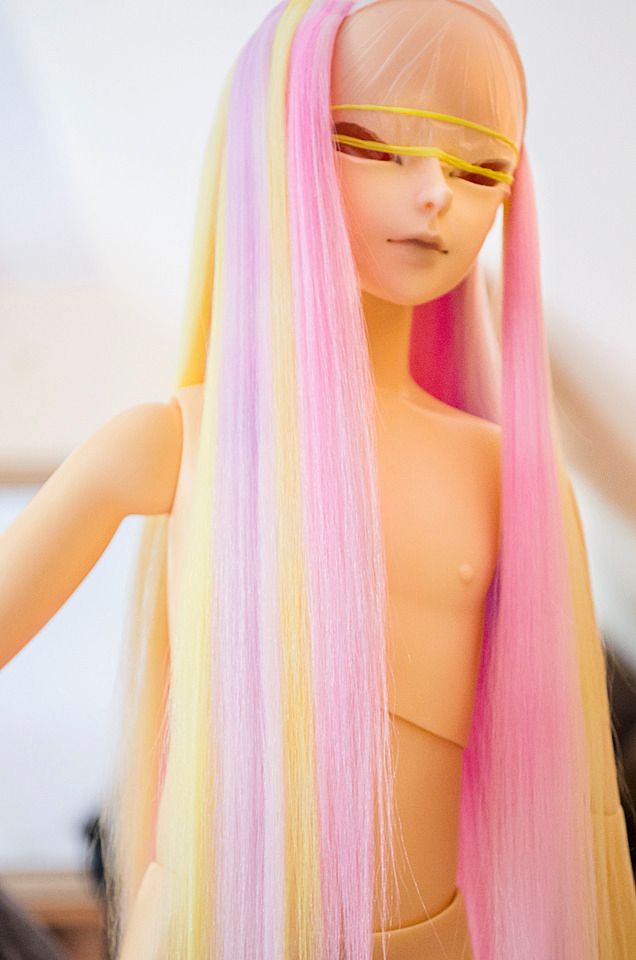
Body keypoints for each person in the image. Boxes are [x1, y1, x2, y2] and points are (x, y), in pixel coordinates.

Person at [2, 1, 634, 958]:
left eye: (481, 170)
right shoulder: (178, 443)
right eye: (376, 147)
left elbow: (577, 797)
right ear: (281, 152)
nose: (437, 194)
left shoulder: (508, 477)